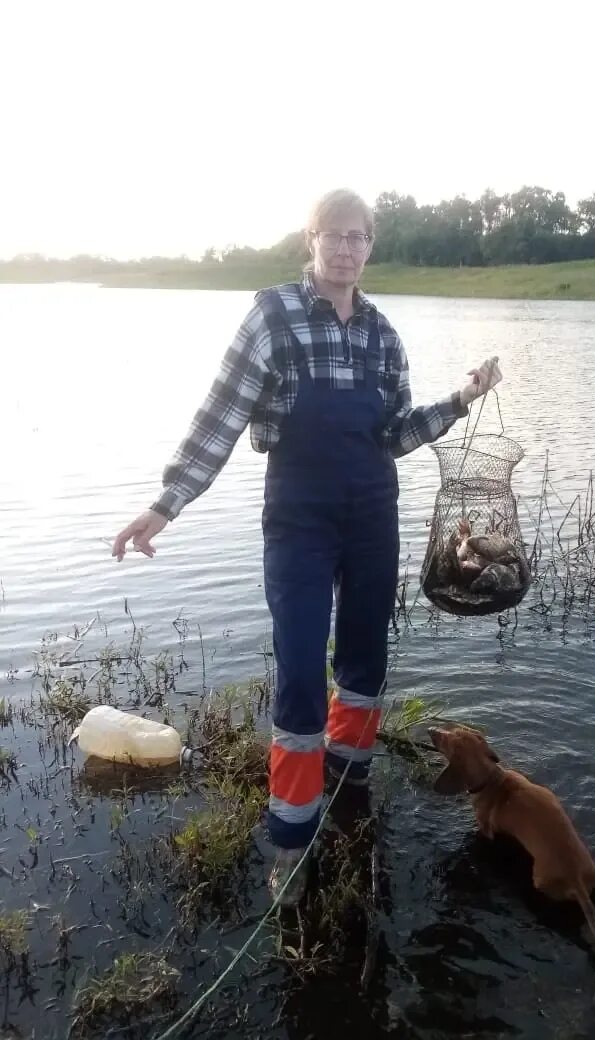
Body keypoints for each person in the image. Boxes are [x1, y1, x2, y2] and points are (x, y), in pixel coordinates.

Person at [112, 188, 502, 904]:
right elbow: (221, 417)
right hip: (298, 514)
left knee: (363, 660)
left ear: (370, 246)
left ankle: (349, 783)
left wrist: (459, 399)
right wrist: (165, 503)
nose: (347, 249)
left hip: (372, 511)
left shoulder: (383, 333)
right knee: (298, 669)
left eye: (360, 238)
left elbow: (392, 433)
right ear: (312, 239)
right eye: (336, 236)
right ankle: (292, 840)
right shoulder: (272, 315)